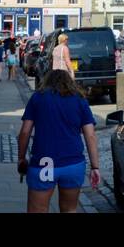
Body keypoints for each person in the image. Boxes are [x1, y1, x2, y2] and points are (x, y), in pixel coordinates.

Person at [17, 68, 100, 213]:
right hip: (73, 164)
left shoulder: (38, 98)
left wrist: (21, 157)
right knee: (69, 209)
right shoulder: (80, 100)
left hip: (44, 163)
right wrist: (95, 166)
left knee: (38, 210)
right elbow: (90, 135)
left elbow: (25, 132)